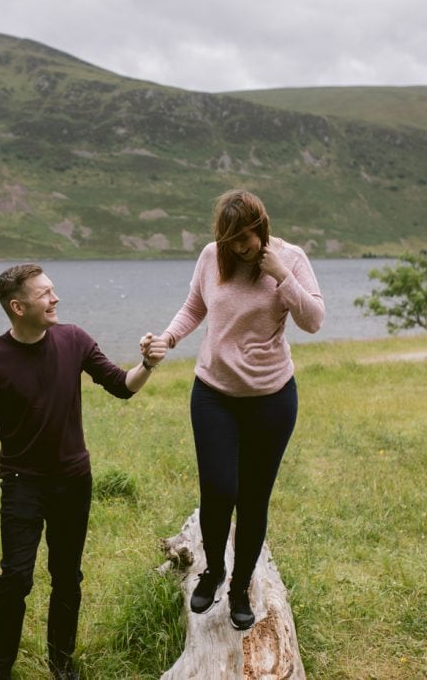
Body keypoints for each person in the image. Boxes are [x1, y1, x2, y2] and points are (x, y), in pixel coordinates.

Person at [0, 263, 168, 680]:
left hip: (73, 480)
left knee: (67, 578)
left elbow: (120, 384)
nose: (55, 298)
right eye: (45, 294)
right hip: (21, 482)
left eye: (53, 290)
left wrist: (147, 364)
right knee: (16, 578)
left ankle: (62, 666)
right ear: (18, 306)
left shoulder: (73, 339)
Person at [152, 189, 324, 631]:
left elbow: (314, 320)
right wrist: (168, 339)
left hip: (271, 397)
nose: (240, 247)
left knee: (252, 499)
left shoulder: (290, 258)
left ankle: (241, 586)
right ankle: (212, 571)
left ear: (261, 226)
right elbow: (194, 307)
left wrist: (282, 275)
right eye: (231, 240)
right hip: (214, 392)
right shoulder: (213, 257)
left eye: (246, 238)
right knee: (218, 488)